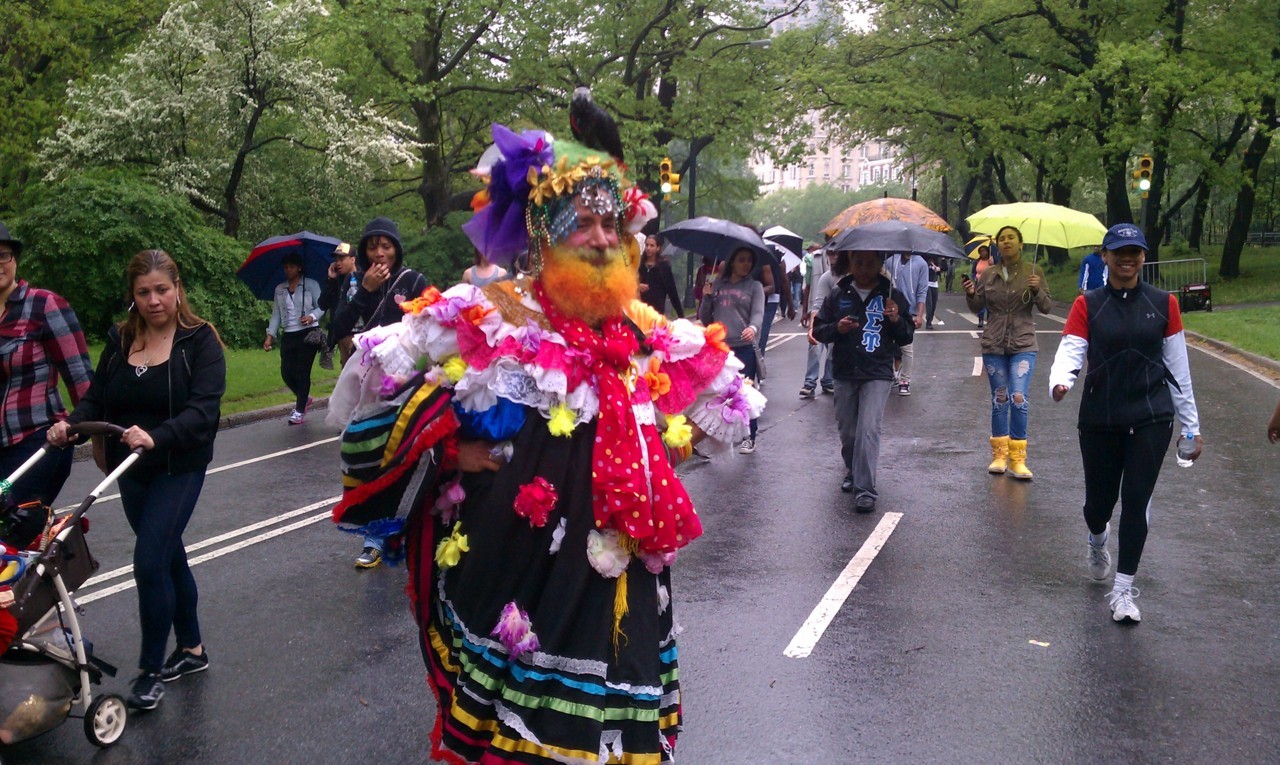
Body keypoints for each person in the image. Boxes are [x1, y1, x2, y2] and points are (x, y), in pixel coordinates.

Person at [328, 119, 764, 764]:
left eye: (609, 225)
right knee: (517, 720)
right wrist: (448, 449)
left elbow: (732, 404)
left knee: (609, 712)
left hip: (618, 549)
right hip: (516, 554)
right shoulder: (494, 311)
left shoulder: (644, 327)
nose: (597, 238)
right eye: (579, 223)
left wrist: (668, 449)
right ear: (543, 235)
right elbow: (373, 386)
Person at [49, 249, 226, 711]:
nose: (153, 300)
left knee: (149, 560)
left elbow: (204, 410)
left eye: (162, 290)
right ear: (133, 295)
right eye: (144, 292)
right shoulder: (122, 339)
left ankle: (149, 672)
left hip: (180, 466)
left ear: (177, 289)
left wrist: (159, 435)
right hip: (132, 470)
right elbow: (98, 398)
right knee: (168, 557)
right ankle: (193, 650)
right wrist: (71, 424)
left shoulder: (200, 340)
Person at [1049, 224, 1202, 624]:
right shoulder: (1089, 304)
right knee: (1098, 505)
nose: (1128, 258)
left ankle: (1123, 591)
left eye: (1135, 251)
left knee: (1136, 501)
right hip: (1101, 417)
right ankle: (1098, 538)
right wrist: (1061, 380)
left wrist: (1191, 426)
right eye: (1119, 252)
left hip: (1151, 415)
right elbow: (1071, 348)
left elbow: (1178, 368)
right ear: (1106, 257)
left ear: (1143, 257)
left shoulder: (1164, 303)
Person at [327, 217, 429, 568]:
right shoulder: (355, 284)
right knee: (368, 457)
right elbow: (337, 327)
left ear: (397, 249)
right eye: (373, 246)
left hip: (407, 381)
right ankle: (374, 532)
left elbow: (432, 324)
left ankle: (399, 530)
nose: (380, 253)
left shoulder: (413, 280)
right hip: (367, 385)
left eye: (386, 246)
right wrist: (363, 292)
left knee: (406, 457)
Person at [0, 222, 93, 507]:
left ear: (15, 260)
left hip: (37, 443)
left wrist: (88, 431)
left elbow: (81, 378)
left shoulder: (43, 305)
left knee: (12, 527)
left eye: (3, 255)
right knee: (20, 543)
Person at [812, 250, 913, 512]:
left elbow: (907, 335)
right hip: (845, 371)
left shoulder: (891, 294)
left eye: (871, 263)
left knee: (869, 429)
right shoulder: (839, 293)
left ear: (880, 264)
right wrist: (838, 328)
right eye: (859, 263)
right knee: (848, 431)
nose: (865, 268)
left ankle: (865, 489)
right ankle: (852, 470)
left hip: (877, 371)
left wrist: (895, 318)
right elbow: (820, 330)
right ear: (851, 264)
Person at [963, 226, 1052, 479]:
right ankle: (999, 455)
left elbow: (1045, 307)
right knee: (1000, 398)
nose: (1006, 242)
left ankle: (1018, 458)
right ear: (997, 245)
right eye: (1002, 239)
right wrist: (971, 293)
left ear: (1021, 243)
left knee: (1018, 397)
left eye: (1011, 238)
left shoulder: (1034, 272)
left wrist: (1037, 290)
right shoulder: (989, 273)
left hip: (1023, 344)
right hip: (994, 343)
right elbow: (978, 306)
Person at [701, 247, 766, 454]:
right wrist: (706, 297)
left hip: (744, 347)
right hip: (720, 348)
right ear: (732, 263)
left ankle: (750, 437)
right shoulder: (717, 285)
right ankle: (712, 439)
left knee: (745, 394)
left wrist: (753, 328)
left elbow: (758, 314)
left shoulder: (754, 286)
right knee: (715, 394)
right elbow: (705, 318)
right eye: (741, 260)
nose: (746, 264)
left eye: (749, 261)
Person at [264, 252, 324, 425]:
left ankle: (299, 410)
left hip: (309, 333)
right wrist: (270, 335)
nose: (288, 270)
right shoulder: (280, 289)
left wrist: (312, 316)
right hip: (289, 333)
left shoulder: (311, 285)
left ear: (299, 267)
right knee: (286, 372)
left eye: (291, 267)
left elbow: (322, 306)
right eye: (285, 267)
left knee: (302, 371)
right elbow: (276, 314)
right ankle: (304, 398)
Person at [884, 252, 928, 395]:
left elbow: (922, 291)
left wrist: (920, 315)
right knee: (887, 344)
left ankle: (905, 380)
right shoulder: (890, 260)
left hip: (909, 310)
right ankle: (891, 374)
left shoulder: (921, 263)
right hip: (890, 308)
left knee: (906, 347)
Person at [800, 246, 839, 398]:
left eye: (836, 253)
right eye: (830, 253)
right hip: (825, 319)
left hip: (841, 322)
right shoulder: (827, 277)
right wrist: (812, 327)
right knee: (815, 347)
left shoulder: (853, 277)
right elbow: (817, 304)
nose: (833, 257)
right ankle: (809, 383)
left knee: (833, 351)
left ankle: (828, 381)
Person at [318, 242, 359, 367]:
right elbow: (322, 304)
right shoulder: (336, 281)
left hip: (360, 334)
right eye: (336, 260)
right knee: (346, 371)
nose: (338, 263)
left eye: (342, 259)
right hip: (341, 335)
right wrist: (331, 280)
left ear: (352, 259)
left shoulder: (364, 279)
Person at [637, 233, 684, 317]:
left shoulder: (664, 266)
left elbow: (672, 291)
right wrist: (638, 286)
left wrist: (681, 315)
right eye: (647, 245)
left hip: (657, 312)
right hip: (641, 311)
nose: (648, 248)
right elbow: (630, 284)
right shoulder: (640, 265)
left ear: (658, 248)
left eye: (652, 245)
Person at [971, 243, 993, 328]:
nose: (982, 253)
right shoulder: (977, 261)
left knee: (989, 303)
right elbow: (973, 272)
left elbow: (995, 271)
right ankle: (980, 320)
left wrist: (992, 264)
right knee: (980, 302)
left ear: (988, 252)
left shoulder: (991, 261)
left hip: (989, 284)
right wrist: (974, 278)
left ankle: (989, 320)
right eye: (981, 251)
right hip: (979, 284)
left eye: (984, 251)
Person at [924, 256, 944, 329]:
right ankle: (928, 322)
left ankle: (930, 317)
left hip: (935, 284)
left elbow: (944, 268)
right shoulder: (925, 260)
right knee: (929, 304)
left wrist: (939, 268)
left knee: (934, 304)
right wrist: (930, 268)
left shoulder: (937, 260)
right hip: (927, 284)